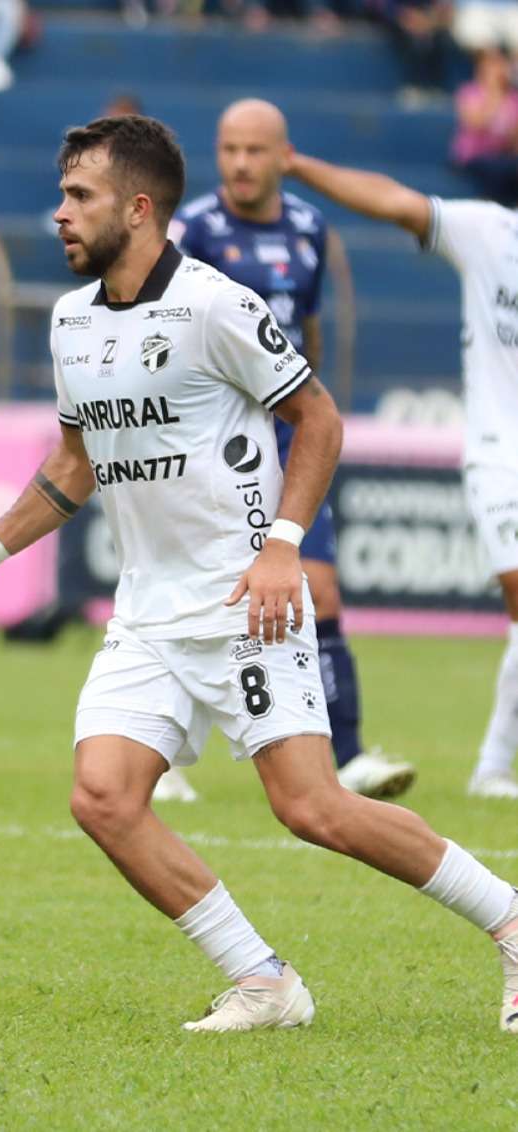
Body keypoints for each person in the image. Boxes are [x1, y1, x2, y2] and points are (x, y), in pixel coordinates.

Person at [0, 115, 518, 1033]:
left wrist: (282, 545)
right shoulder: (70, 321)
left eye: (79, 196)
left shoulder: (216, 306)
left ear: (139, 207)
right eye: (61, 195)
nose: (61, 214)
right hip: (148, 614)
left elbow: (319, 419)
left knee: (314, 808)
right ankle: (264, 980)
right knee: (104, 798)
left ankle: (510, 919)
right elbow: (74, 465)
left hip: (246, 603)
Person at [168, 98, 416, 804]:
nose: (240, 164)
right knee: (195, 590)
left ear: (283, 156)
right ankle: (161, 755)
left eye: (254, 150)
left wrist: (303, 411)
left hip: (287, 434)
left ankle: (350, 755)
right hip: (213, 437)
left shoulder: (309, 226)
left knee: (321, 589)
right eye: (229, 149)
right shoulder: (194, 231)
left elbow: (308, 333)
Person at [288, 146, 518, 800]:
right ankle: (492, 767)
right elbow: (391, 200)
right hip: (502, 455)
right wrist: (299, 164)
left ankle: (491, 768)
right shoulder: (491, 233)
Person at [451, 48, 518, 204]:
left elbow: (513, 138)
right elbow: (476, 123)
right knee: (497, 170)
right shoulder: (468, 92)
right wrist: (495, 93)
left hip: (503, 156)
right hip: (473, 156)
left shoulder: (514, 98)